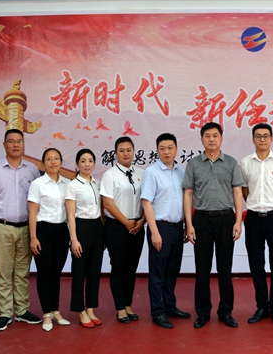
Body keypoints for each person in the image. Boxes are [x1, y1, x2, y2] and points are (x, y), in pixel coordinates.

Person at [184, 122, 244, 329]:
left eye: (215, 135)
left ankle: (226, 312)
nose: (211, 139)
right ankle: (203, 312)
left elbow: (237, 192)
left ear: (221, 139)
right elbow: (188, 194)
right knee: (202, 268)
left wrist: (238, 221)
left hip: (226, 218)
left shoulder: (231, 162)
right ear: (201, 139)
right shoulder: (193, 164)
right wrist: (189, 224)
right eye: (207, 135)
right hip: (201, 220)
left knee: (225, 268)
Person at [0, 128, 42, 331]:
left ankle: (22, 311)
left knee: (23, 273)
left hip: (25, 228)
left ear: (24, 144)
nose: (16, 145)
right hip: (1, 227)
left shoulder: (32, 170)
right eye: (11, 141)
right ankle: (5, 313)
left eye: (19, 141)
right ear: (4, 144)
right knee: (3, 273)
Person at [240, 123, 273, 326]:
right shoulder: (245, 162)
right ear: (253, 139)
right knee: (256, 264)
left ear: (271, 139)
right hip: (253, 218)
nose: (262, 139)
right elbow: (244, 190)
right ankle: (261, 306)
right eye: (258, 136)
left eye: (265, 136)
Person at [141, 133, 191, 329]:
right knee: (157, 273)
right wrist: (154, 232)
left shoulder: (180, 171)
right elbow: (146, 203)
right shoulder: (151, 172)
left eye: (170, 148)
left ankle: (170, 306)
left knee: (172, 271)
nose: (166, 152)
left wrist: (186, 225)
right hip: (160, 227)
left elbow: (185, 200)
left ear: (176, 149)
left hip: (177, 228)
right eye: (162, 148)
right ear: (157, 150)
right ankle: (157, 312)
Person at [101, 136, 145, 323]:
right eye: (121, 150)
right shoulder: (110, 175)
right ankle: (120, 308)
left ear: (134, 151)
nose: (126, 153)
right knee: (118, 267)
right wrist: (126, 222)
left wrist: (142, 221)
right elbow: (108, 203)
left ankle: (128, 305)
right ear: (115, 153)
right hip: (117, 227)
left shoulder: (142, 173)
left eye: (129, 150)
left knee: (131, 268)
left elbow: (147, 200)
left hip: (138, 226)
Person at [28, 148, 71, 332]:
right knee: (44, 273)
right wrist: (33, 237)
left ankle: (55, 311)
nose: (53, 162)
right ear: (43, 163)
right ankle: (46, 313)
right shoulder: (37, 184)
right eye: (49, 159)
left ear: (61, 162)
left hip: (62, 231)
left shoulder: (67, 184)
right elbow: (32, 212)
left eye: (56, 159)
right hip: (43, 230)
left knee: (56, 273)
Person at [66, 148, 105, 328]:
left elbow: (102, 210)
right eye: (83, 161)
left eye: (90, 161)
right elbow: (70, 215)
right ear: (77, 164)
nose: (87, 164)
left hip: (97, 229)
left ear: (94, 163)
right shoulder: (73, 185)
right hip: (81, 228)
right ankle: (80, 310)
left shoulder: (98, 184)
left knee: (94, 272)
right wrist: (74, 239)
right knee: (79, 272)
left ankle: (90, 308)